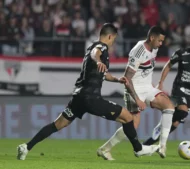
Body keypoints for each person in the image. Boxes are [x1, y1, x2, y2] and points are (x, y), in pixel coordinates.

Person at [16, 23, 158, 160]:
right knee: (128, 117)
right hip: (91, 98)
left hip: (79, 96)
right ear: (110, 36)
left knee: (57, 124)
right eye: (114, 39)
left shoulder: (90, 48)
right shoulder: (100, 47)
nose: (114, 42)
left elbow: (103, 73)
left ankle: (26, 147)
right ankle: (139, 149)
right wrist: (98, 61)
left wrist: (116, 80)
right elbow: (95, 54)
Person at [97, 26, 175, 160]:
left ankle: (162, 146)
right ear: (152, 38)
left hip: (147, 88)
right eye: (160, 41)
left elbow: (146, 70)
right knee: (132, 125)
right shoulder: (138, 52)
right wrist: (138, 99)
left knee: (169, 107)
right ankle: (105, 149)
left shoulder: (154, 48)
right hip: (133, 89)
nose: (161, 44)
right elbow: (127, 78)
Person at [143, 29, 190, 145]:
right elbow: (168, 65)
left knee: (175, 123)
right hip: (179, 88)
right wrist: (161, 82)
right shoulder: (182, 53)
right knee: (183, 112)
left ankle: (148, 143)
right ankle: (160, 126)